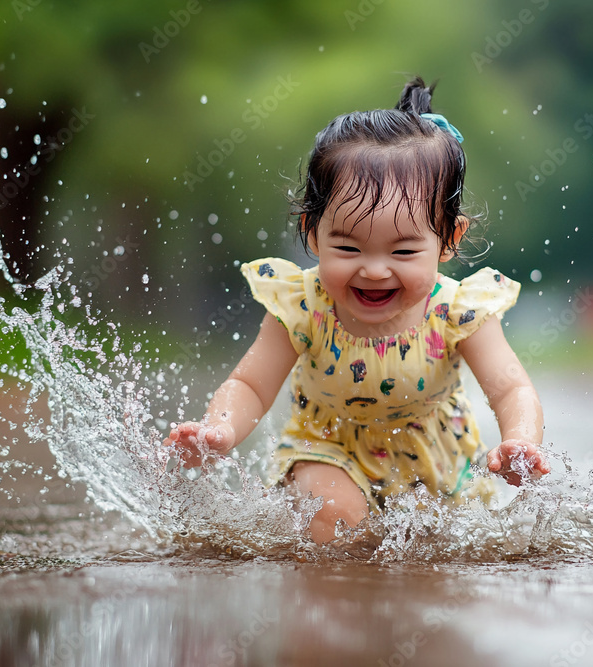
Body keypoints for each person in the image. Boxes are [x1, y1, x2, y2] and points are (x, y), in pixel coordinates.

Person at [163, 76, 549, 544]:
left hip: (436, 468)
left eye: (403, 252)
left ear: (448, 240)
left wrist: (520, 441)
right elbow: (251, 384)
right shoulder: (303, 305)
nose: (374, 270)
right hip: (325, 450)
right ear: (312, 232)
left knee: (434, 562)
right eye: (348, 248)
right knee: (334, 516)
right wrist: (220, 430)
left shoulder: (457, 310)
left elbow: (510, 388)